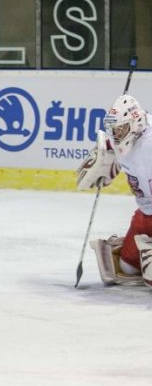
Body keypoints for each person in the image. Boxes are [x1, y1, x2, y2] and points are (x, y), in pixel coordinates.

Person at [76, 94, 152, 287]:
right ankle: (128, 245)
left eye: (121, 129)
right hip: (146, 212)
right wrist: (103, 161)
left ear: (135, 123)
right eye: (114, 129)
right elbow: (109, 146)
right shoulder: (119, 138)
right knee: (126, 268)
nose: (117, 134)